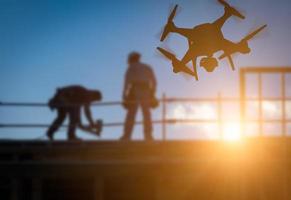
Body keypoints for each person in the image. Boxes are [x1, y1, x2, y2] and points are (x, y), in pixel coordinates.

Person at [121, 52, 158, 141]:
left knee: (131, 114)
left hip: (135, 91)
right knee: (147, 114)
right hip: (146, 91)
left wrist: (124, 95)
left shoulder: (131, 68)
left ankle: (127, 135)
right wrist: (152, 94)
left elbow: (127, 82)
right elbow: (154, 82)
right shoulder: (147, 67)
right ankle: (148, 136)